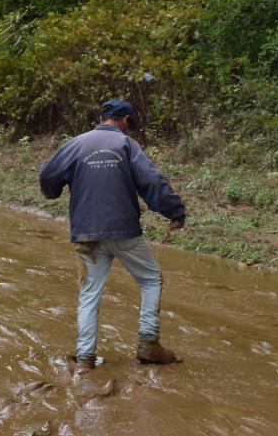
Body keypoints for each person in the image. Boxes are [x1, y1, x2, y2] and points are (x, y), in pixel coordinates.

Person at [39, 99, 186, 369]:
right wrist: (175, 213)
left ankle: (85, 358)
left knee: (89, 293)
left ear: (101, 117)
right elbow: (152, 182)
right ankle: (148, 343)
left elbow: (47, 174)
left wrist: (53, 193)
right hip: (124, 231)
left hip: (86, 234)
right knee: (151, 279)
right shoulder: (127, 145)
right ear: (126, 120)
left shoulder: (76, 144)